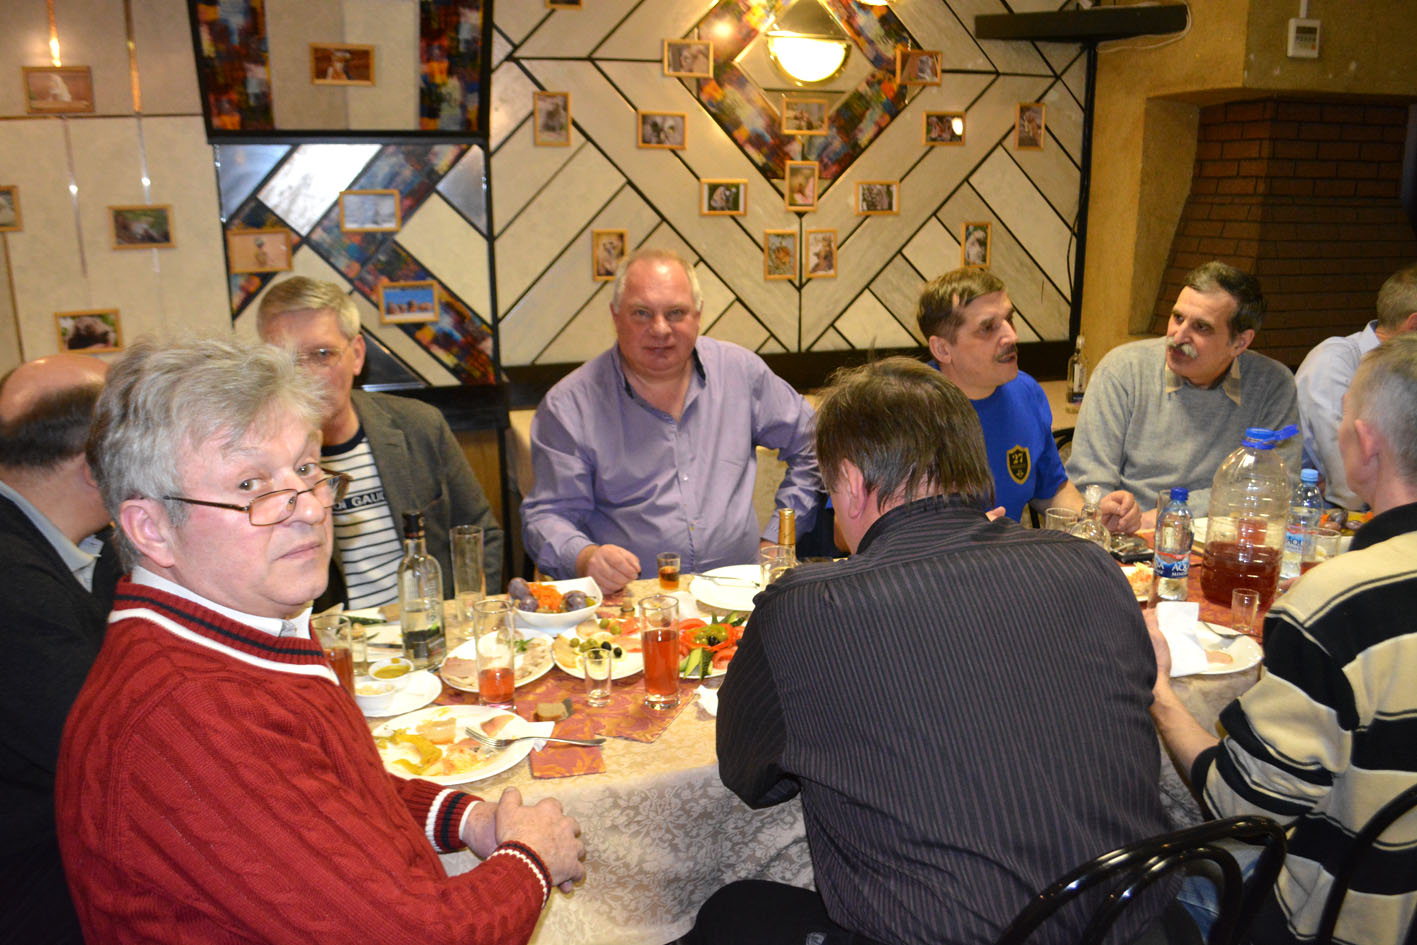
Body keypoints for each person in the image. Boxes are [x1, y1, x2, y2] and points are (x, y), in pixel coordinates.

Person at [55, 336, 584, 944]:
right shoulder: (187, 712)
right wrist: (531, 858)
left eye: (307, 470)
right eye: (251, 485)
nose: (308, 509)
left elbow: (326, 793)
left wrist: (465, 818)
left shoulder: (241, 633)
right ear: (150, 529)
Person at [686, 357, 1177, 945]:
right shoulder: (1092, 565)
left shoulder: (805, 607)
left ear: (851, 482)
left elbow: (752, 779)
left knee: (731, 911)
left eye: (827, 487)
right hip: (1138, 923)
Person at [1149, 333, 1417, 944]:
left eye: (1344, 417)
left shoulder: (1339, 604)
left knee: (1131, 856)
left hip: (1340, 919)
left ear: (1366, 444)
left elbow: (1240, 807)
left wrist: (1159, 692)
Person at [522, 248, 820, 594]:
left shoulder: (740, 372)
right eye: (642, 313)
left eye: (675, 313)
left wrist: (778, 539)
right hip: (632, 601)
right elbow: (547, 516)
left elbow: (814, 444)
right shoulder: (569, 406)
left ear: (698, 315)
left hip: (741, 595)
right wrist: (585, 557)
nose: (660, 329)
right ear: (615, 316)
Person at [257, 277, 503, 608]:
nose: (304, 376)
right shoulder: (255, 463)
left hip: (429, 625)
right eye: (285, 360)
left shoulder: (419, 426)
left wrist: (469, 616)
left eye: (322, 354)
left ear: (357, 355)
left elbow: (480, 534)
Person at [0, 354, 117, 945]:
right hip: (40, 891)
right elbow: (119, 755)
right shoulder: (12, 585)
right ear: (97, 468)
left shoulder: (89, 541)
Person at [1067, 260, 1299, 527]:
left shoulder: (1272, 384)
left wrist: (1170, 513)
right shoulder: (1122, 371)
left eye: (1201, 327)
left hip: (1227, 536)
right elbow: (1090, 487)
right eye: (1177, 318)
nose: (1178, 337)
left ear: (1240, 342)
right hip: (1131, 536)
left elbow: (1278, 490)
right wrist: (1117, 516)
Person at [919, 268, 1140, 532]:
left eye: (1009, 319)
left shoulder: (1026, 392)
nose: (1012, 336)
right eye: (988, 328)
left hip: (1005, 554)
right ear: (942, 349)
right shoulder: (907, 411)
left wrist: (1091, 517)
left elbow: (1051, 489)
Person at [1295, 261, 1417, 511]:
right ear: (1414, 325)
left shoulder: (1404, 370)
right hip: (1317, 524)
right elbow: (1351, 486)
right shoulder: (1334, 360)